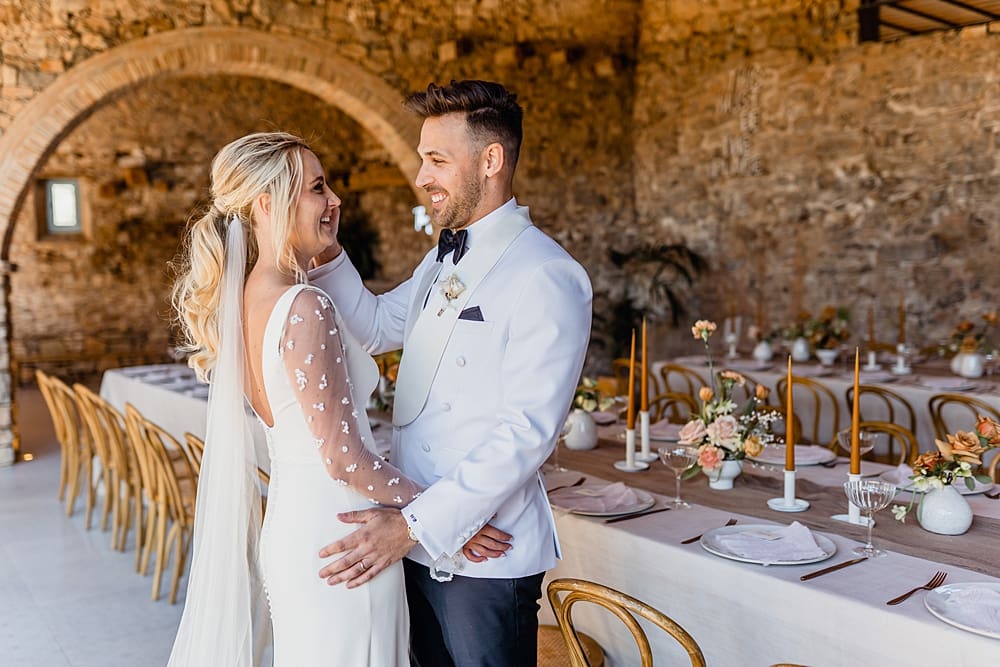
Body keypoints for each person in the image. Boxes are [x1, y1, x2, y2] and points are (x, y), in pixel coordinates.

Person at [167, 131, 505, 666]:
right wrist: (445, 515)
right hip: (346, 535)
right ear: (267, 204)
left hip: (298, 527)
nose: (335, 200)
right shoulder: (305, 305)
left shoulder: (247, 299)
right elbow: (345, 459)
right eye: (317, 188)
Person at [310, 80, 593, 666]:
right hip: (415, 535)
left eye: (437, 160)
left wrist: (415, 524)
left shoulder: (546, 273)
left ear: (491, 160)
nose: (421, 177)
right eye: (423, 159)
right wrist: (329, 252)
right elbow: (377, 326)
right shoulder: (442, 258)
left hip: (484, 556)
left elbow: (527, 433)